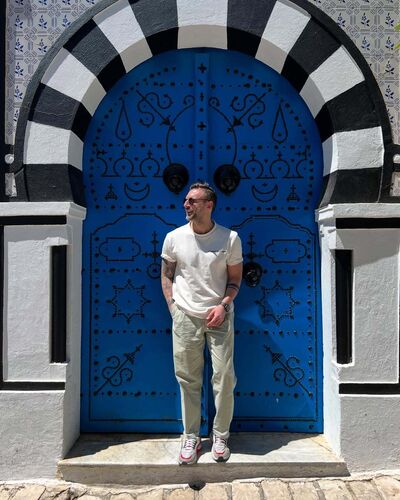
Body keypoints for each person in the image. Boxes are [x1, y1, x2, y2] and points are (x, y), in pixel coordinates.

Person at [161, 182, 243, 465]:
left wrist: (224, 305)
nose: (186, 204)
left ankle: (220, 436)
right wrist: (173, 308)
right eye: (186, 200)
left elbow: (235, 279)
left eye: (192, 201)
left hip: (219, 316)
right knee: (188, 380)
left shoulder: (230, 238)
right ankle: (191, 437)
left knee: (224, 378)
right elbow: (167, 275)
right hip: (185, 316)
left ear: (209, 205)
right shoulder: (173, 238)